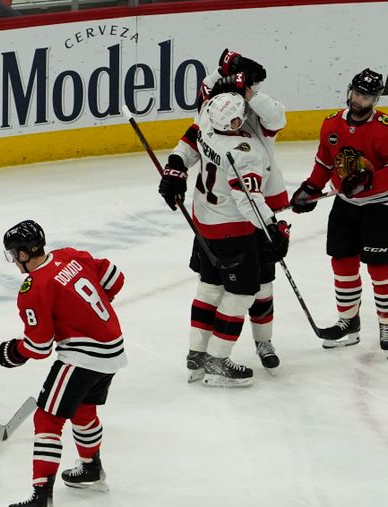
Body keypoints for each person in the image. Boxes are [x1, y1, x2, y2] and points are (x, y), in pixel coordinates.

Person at [159, 49, 288, 379]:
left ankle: (207, 351)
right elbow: (247, 200)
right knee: (247, 289)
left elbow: (274, 118)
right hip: (243, 220)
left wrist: (175, 168)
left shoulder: (214, 116)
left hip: (207, 216)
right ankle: (215, 358)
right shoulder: (243, 148)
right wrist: (272, 228)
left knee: (214, 288)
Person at [0, 220, 126, 507]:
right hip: (113, 348)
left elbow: (39, 346)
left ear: (25, 253)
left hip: (83, 356)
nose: (14, 260)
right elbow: (116, 279)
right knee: (83, 410)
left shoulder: (34, 287)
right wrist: (86, 315)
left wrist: (13, 352)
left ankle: (40, 502)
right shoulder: (70, 255)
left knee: (47, 419)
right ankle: (91, 470)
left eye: (14, 254)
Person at [289, 68, 388, 352]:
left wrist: (369, 181)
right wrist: (310, 188)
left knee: (380, 267)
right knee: (342, 262)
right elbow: (325, 162)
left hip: (380, 205)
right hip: (345, 205)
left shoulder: (384, 128)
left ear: (375, 100)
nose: (358, 101)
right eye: (356, 94)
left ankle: (386, 322)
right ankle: (349, 323)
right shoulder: (332, 124)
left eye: (365, 97)